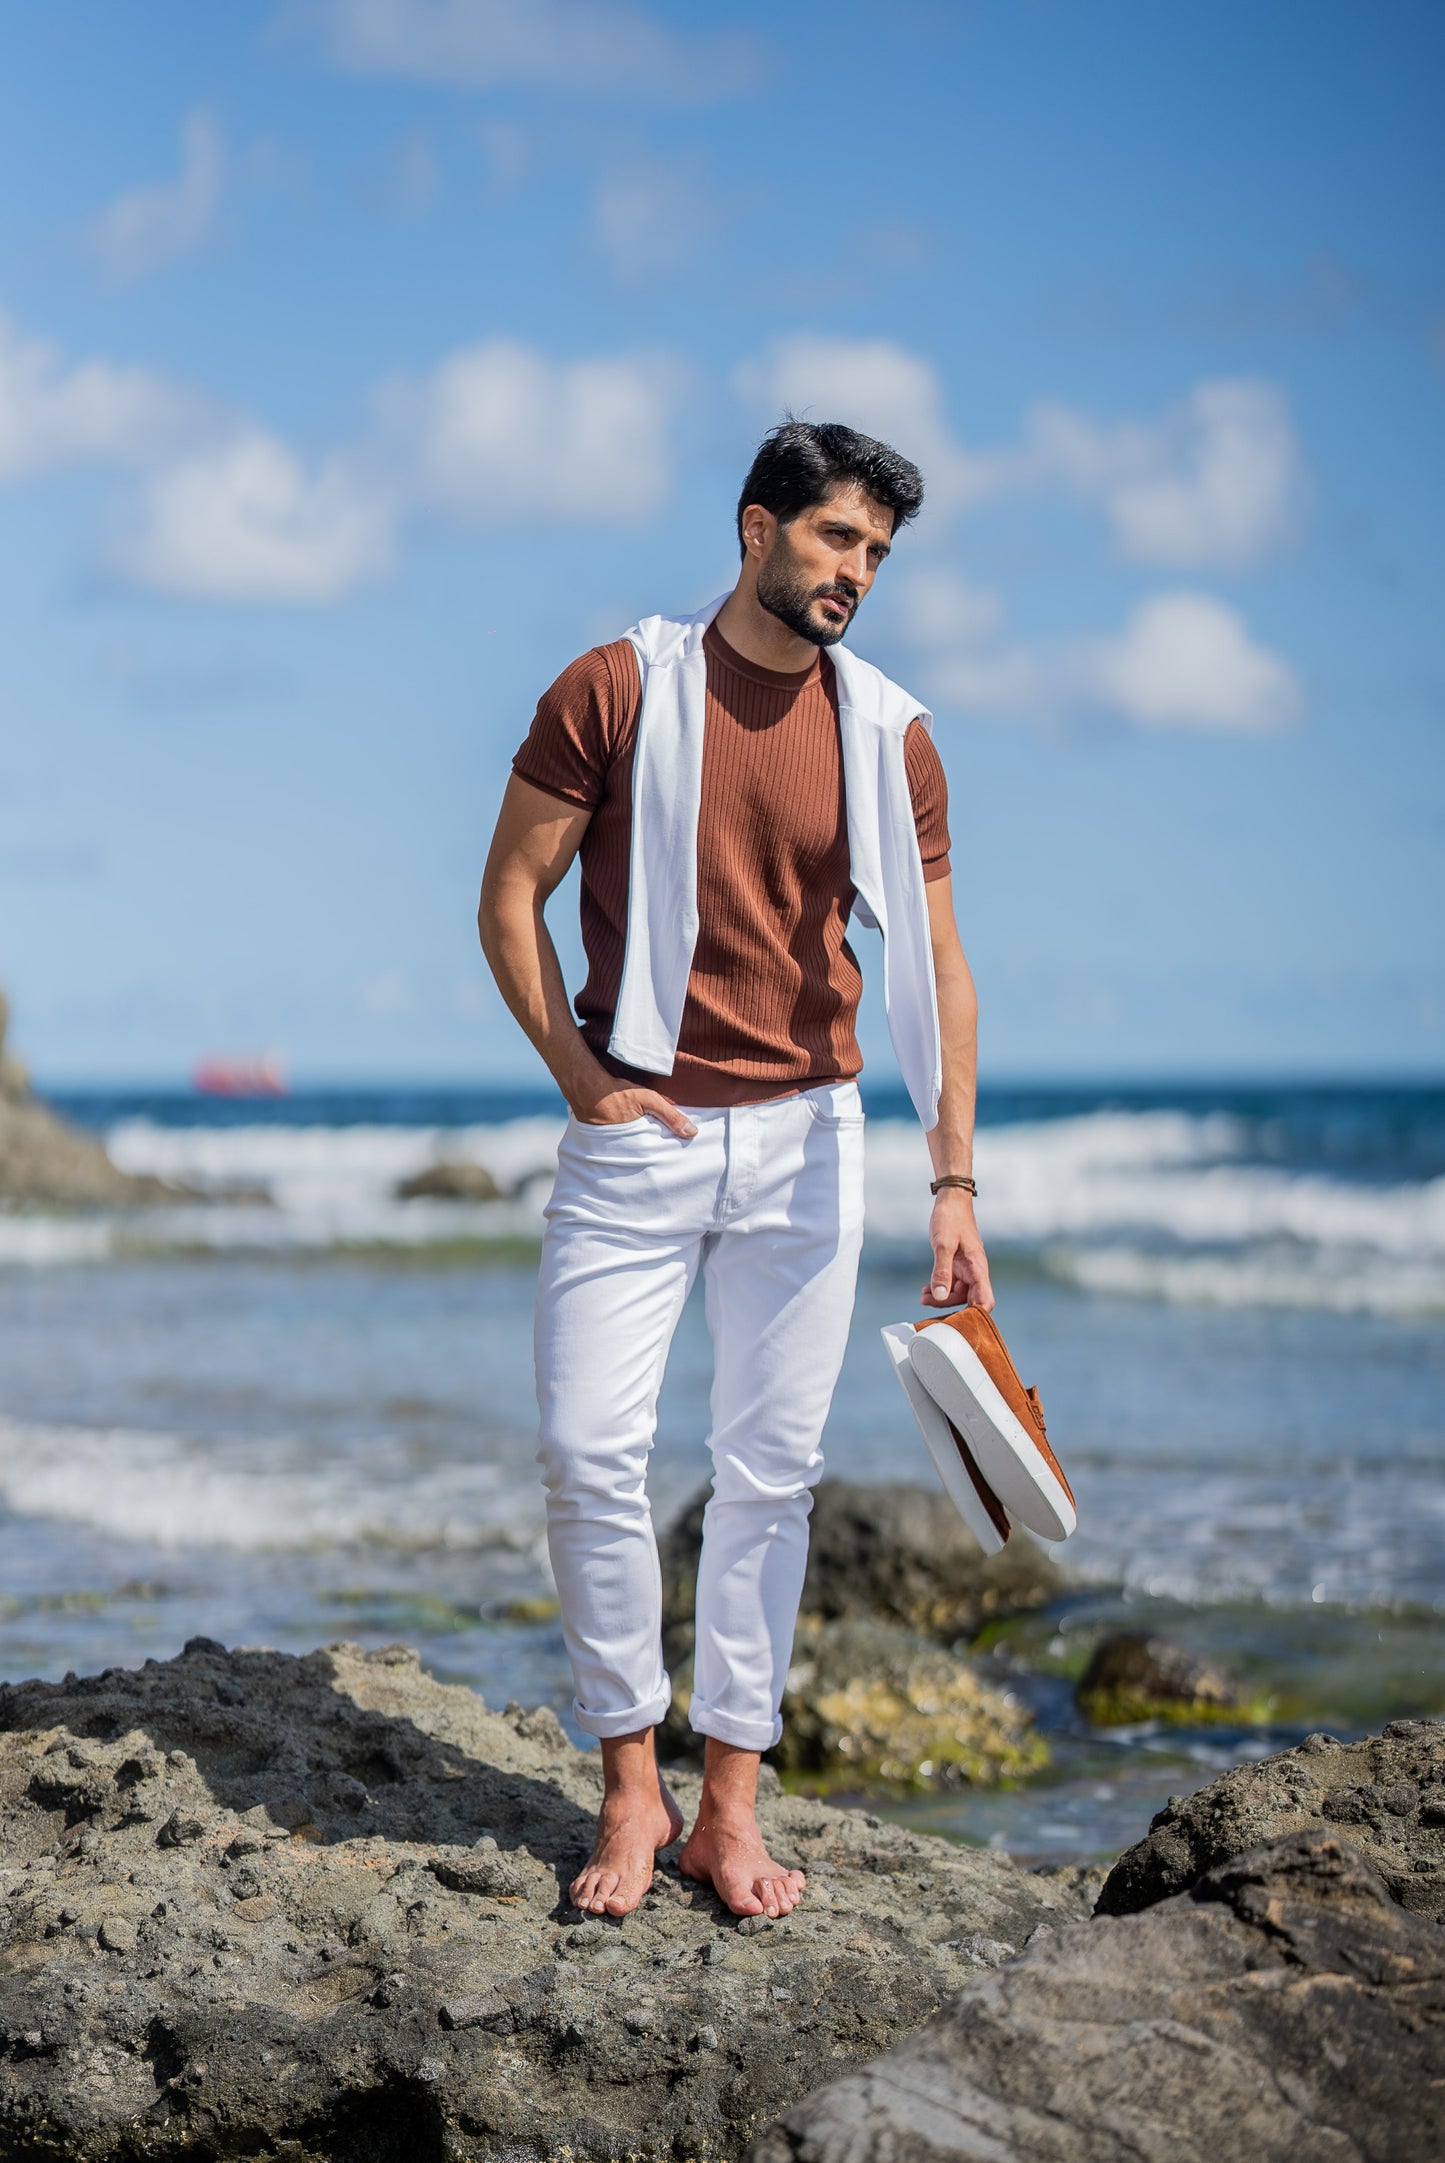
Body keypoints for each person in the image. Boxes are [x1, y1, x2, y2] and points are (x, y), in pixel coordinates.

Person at [478, 420, 993, 1921]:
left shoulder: (891, 734)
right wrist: (581, 1080)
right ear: (755, 528)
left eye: (877, 555)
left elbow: (941, 966)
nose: (857, 573)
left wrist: (951, 1183)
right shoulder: (618, 688)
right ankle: (629, 1787)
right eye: (837, 540)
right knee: (589, 1454)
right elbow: (511, 896)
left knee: (771, 1475)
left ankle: (730, 1809)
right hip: (639, 1133)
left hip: (811, 1136)